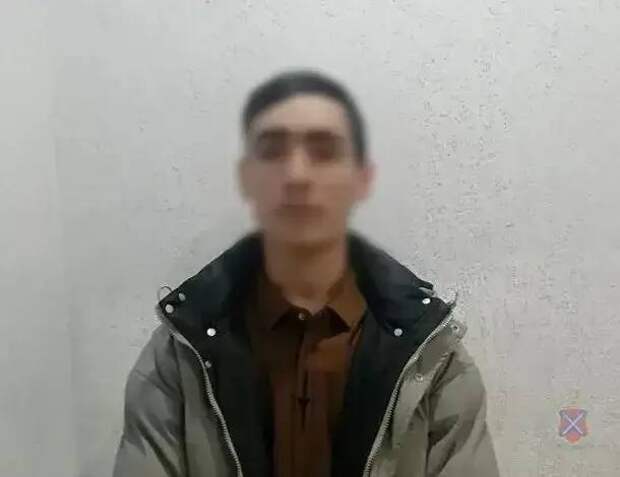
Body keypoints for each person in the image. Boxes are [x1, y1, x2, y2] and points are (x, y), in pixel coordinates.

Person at [113, 69, 500, 477]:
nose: (297, 175)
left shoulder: (433, 360)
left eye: (324, 151)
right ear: (247, 178)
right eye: (273, 151)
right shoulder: (177, 359)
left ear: (362, 179)